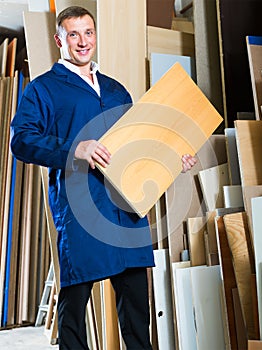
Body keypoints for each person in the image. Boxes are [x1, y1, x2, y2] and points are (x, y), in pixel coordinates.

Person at [10, 6, 197, 350]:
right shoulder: (44, 89)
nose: (83, 42)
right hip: (81, 207)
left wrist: (173, 159)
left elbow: (137, 145)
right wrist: (74, 149)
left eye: (88, 32)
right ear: (59, 39)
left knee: (137, 306)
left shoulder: (116, 90)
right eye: (74, 34)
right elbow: (20, 140)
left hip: (124, 205)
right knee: (75, 305)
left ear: (96, 36)